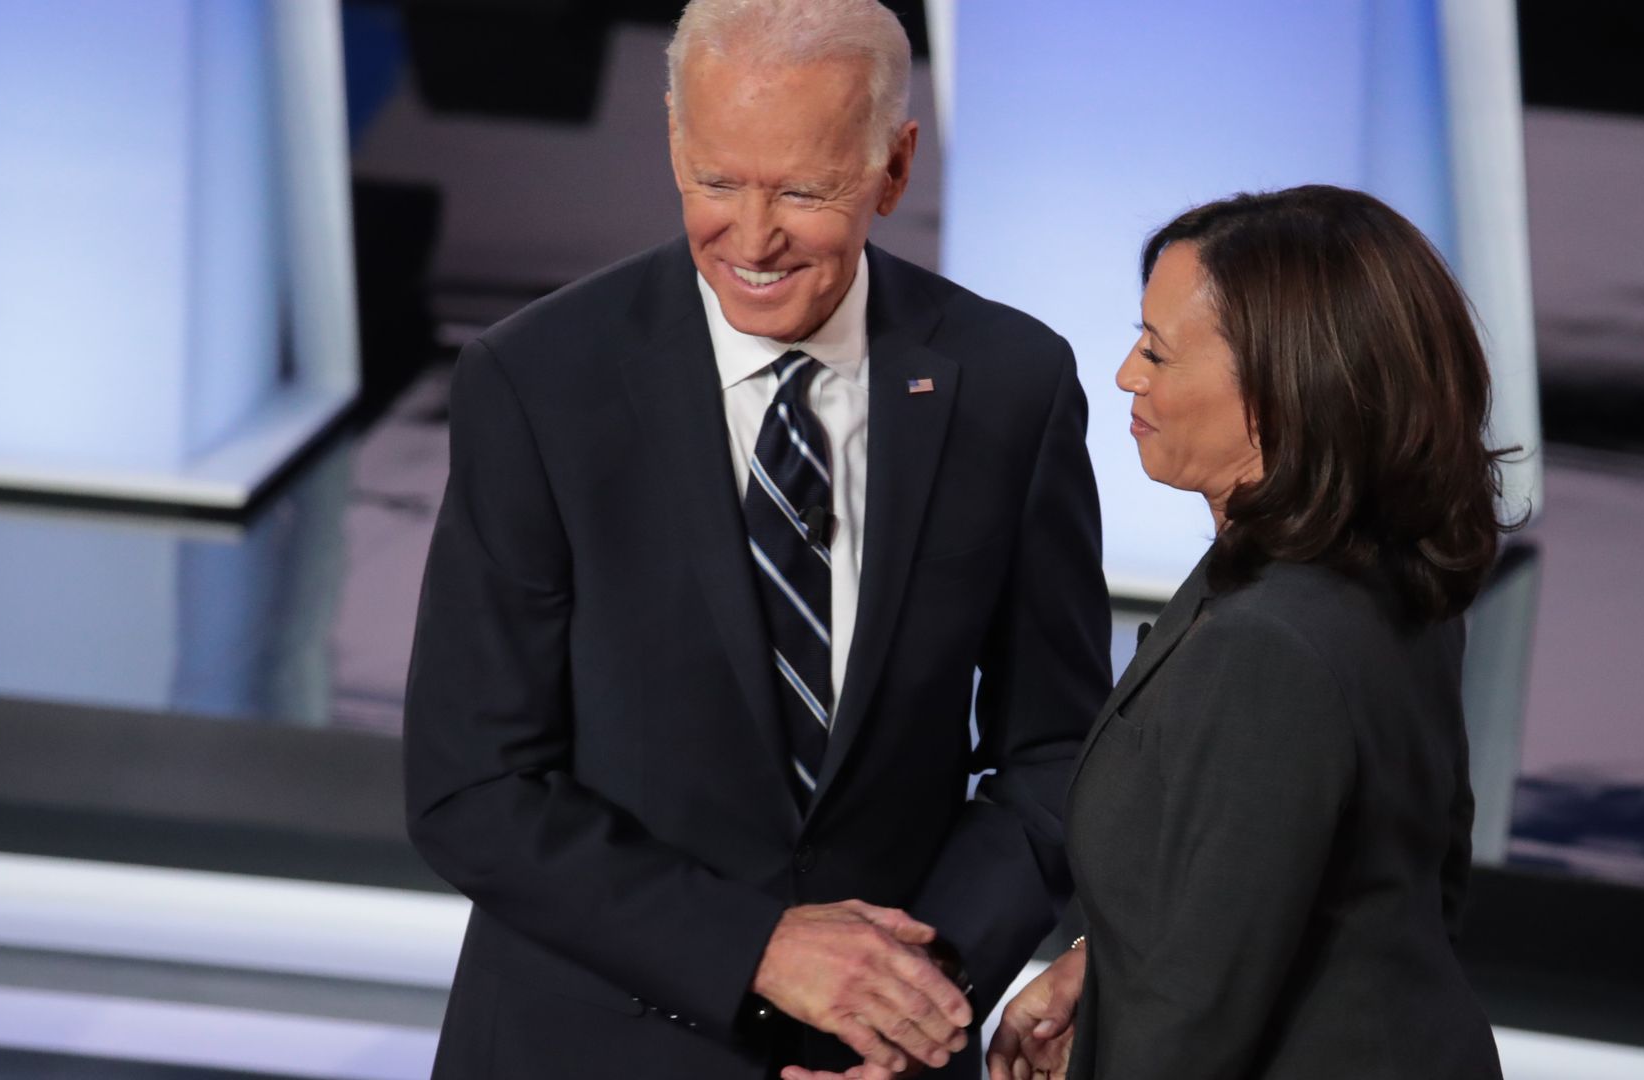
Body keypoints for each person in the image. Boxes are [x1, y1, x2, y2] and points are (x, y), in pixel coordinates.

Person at [401, 1, 1112, 1076]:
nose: (753, 236)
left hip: (889, 1055)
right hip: (586, 1044)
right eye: (717, 180)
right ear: (676, 141)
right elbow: (473, 786)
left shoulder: (1010, 384)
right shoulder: (540, 380)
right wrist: (756, 948)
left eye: (803, 190)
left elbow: (1055, 753)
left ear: (894, 165)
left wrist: (923, 985)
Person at [987, 185, 1513, 1080]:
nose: (1126, 374)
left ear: (1280, 389)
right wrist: (1100, 969)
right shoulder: (1368, 565)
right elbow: (1382, 893)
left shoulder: (1266, 649)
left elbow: (1191, 1028)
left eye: (1157, 350)